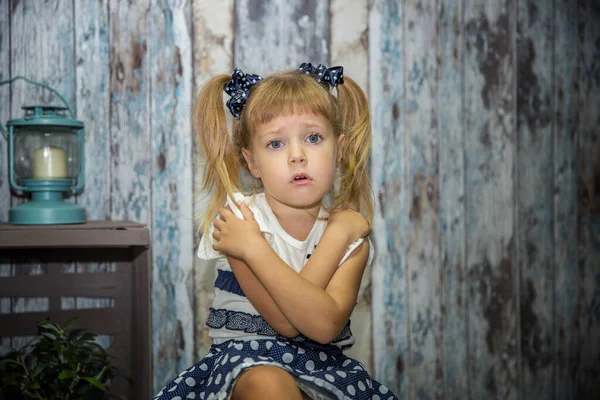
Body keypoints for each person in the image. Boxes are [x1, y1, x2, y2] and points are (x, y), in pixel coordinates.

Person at [154, 63, 398, 400]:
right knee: (268, 383)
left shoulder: (352, 237)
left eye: (313, 138)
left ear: (339, 149)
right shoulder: (239, 222)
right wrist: (258, 245)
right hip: (247, 362)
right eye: (275, 144)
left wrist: (339, 235)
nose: (297, 156)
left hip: (324, 366)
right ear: (251, 162)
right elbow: (284, 325)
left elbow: (323, 326)